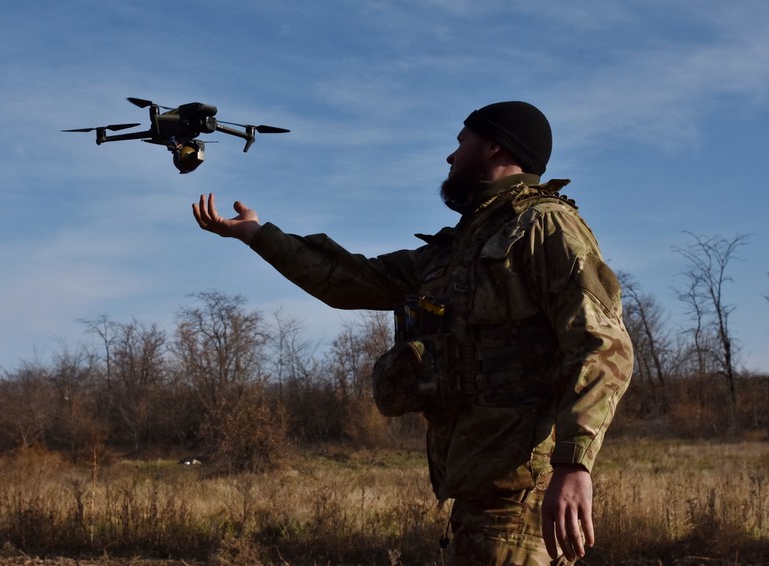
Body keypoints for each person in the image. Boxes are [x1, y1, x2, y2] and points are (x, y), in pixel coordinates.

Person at [192, 101, 633, 565]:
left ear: (495, 145)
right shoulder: (458, 246)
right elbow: (350, 279)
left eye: (461, 142)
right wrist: (258, 235)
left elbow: (602, 345)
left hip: (519, 497)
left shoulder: (545, 224)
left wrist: (572, 464)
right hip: (475, 496)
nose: (450, 156)